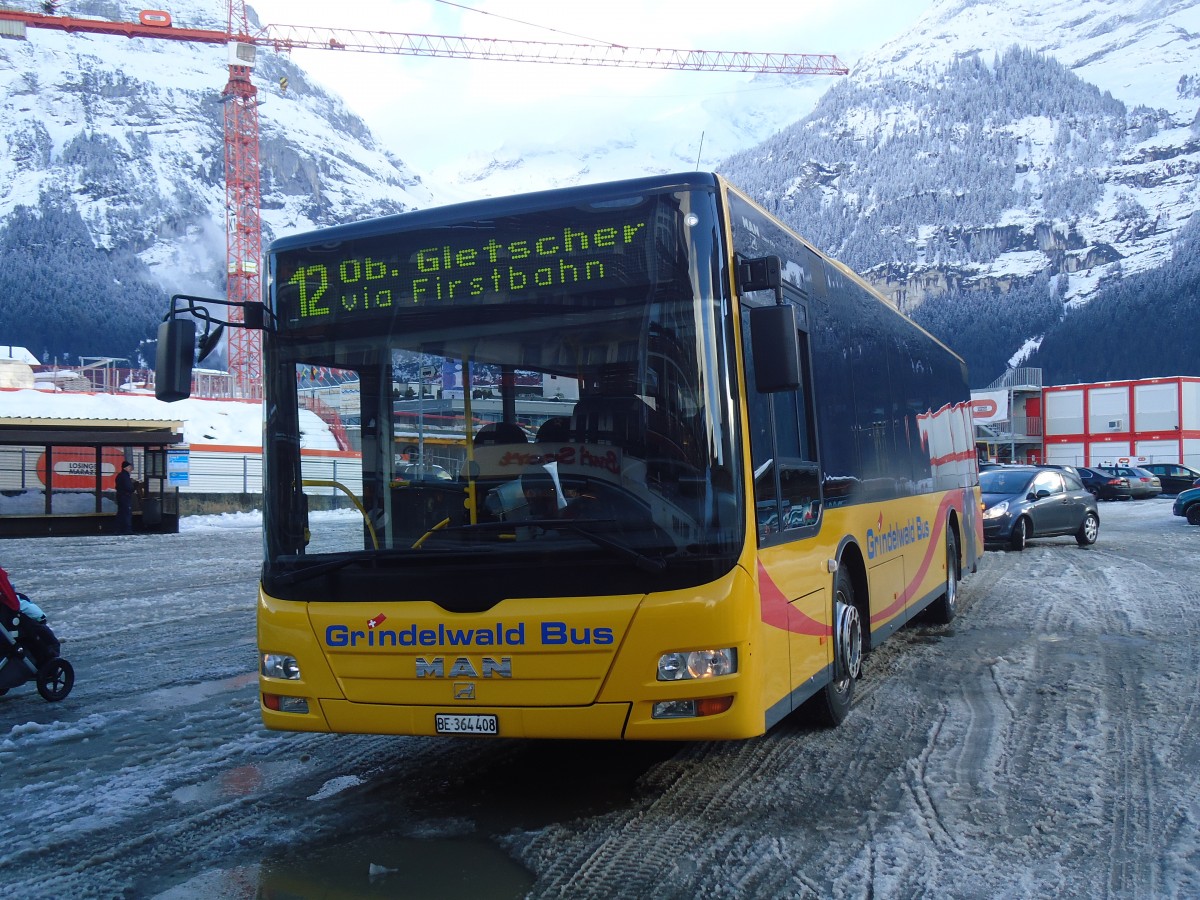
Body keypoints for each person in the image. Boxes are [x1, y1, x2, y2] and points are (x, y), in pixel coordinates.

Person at [115, 460, 136, 534]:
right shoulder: (125, 476)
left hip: (120, 496)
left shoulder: (119, 475)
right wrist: (134, 486)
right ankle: (127, 529)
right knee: (127, 513)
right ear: (126, 468)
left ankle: (119, 529)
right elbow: (129, 487)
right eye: (129, 467)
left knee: (121, 513)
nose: (131, 469)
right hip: (125, 497)